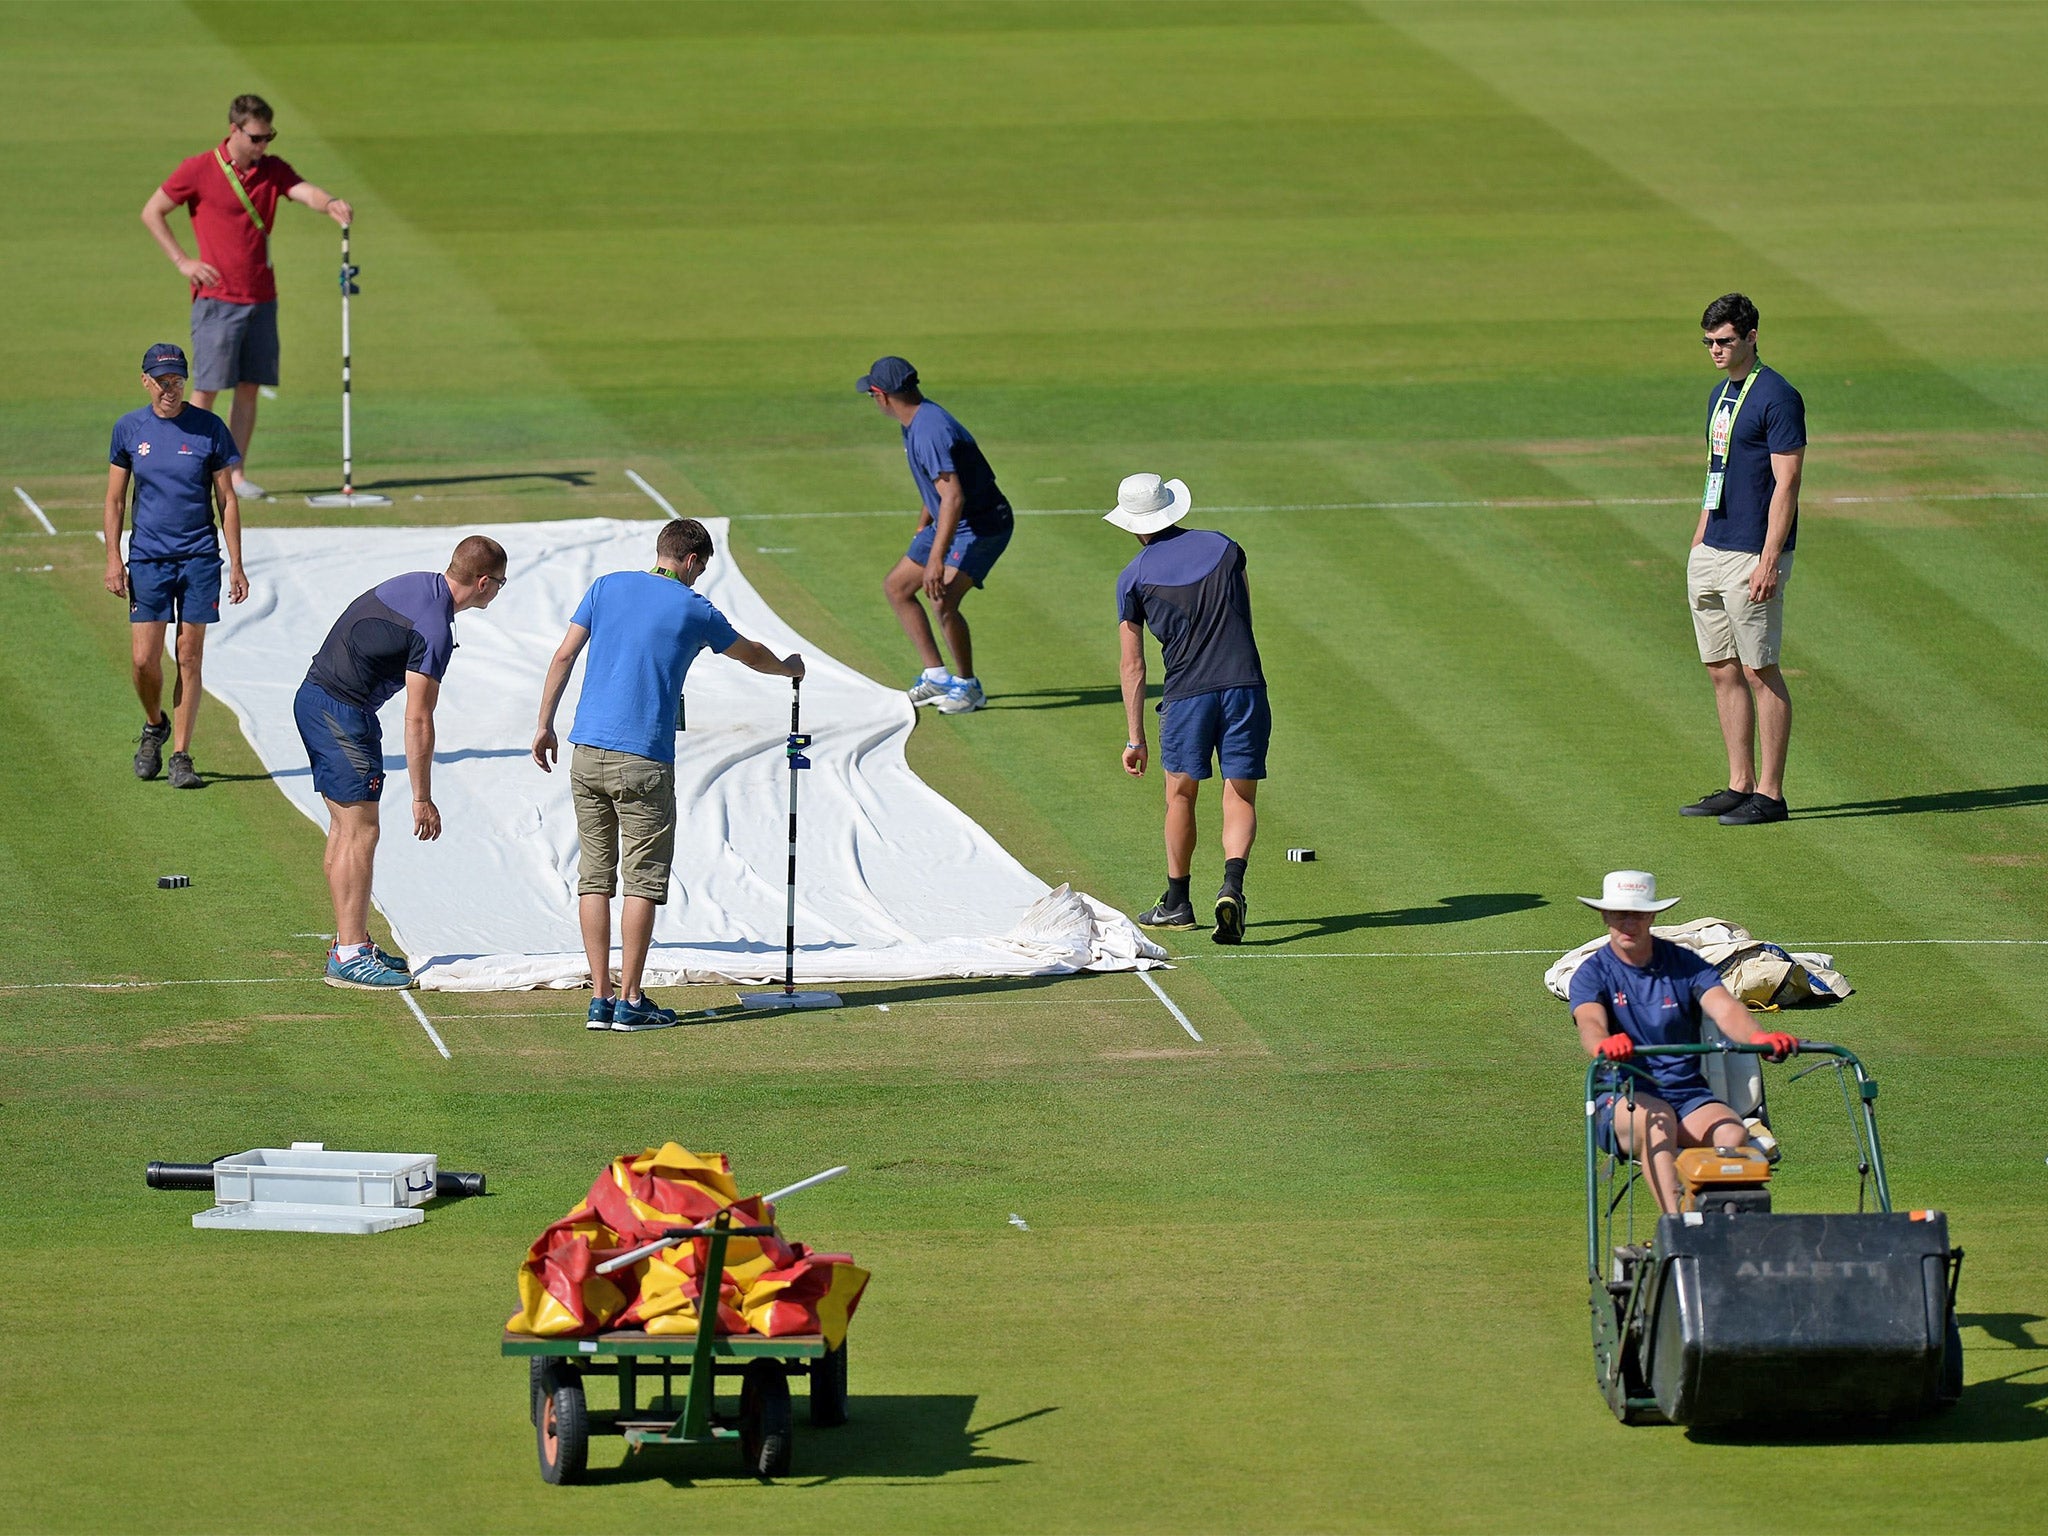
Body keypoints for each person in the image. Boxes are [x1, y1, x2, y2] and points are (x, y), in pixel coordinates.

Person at [532, 519, 805, 1032]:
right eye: (701, 569)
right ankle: (631, 1001)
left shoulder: (606, 585)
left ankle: (600, 998)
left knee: (594, 876)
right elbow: (751, 655)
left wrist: (544, 724)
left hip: (586, 750)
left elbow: (564, 654)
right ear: (693, 561)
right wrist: (789, 668)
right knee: (642, 881)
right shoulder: (694, 608)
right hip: (644, 759)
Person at [295, 536, 508, 989]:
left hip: (322, 702)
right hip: (339, 712)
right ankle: (350, 954)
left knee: (344, 828)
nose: (499, 591)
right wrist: (422, 797)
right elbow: (418, 717)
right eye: (501, 584)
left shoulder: (421, 585)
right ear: (483, 582)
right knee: (361, 830)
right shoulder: (435, 629)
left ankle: (348, 941)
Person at [141, 94, 355, 501]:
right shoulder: (199, 169)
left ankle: (235, 474)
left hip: (261, 296)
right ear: (235, 130)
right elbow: (153, 210)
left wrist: (329, 204)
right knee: (206, 387)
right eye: (257, 137)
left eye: (268, 136)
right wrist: (183, 260)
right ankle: (195, 470)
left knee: (249, 386)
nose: (263, 145)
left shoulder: (271, 169)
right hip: (218, 298)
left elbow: (302, 190)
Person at [1568, 870, 1798, 1214]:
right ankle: (1676, 1224)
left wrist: (1759, 1038)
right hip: (1621, 1096)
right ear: (1605, 916)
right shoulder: (1592, 973)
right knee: (1656, 1120)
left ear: (1652, 915)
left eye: (1638, 914)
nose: (1629, 923)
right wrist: (1603, 1044)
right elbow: (1589, 1022)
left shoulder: (1684, 964)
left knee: (1732, 1134)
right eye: (1620, 915)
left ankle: (1716, 1222)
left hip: (1688, 1095)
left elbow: (1724, 1009)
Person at [1108, 473, 1270, 945]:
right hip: (1245, 687)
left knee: (1181, 796)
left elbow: (1132, 665)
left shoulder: (1132, 578)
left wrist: (1135, 738)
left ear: (1135, 525)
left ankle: (1177, 903)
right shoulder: (1225, 547)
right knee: (1239, 793)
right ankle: (1232, 886)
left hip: (1186, 698)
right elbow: (1246, 617)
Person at [1682, 293, 1806, 826]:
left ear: (1751, 337)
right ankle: (1739, 784)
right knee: (1720, 667)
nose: (1715, 349)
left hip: (1753, 552)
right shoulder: (1720, 394)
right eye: (1709, 341)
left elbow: (1788, 481)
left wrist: (1770, 558)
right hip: (1713, 547)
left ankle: (1771, 795)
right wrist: (1698, 539)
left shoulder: (1778, 396)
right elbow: (1716, 471)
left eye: (1724, 341)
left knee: (1760, 669)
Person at [104, 343, 249, 789]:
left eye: (178, 380)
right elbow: (114, 499)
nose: (171, 389)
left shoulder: (209, 428)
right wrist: (113, 556)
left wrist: (237, 565)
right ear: (145, 380)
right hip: (147, 558)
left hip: (199, 558)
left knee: (189, 655)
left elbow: (226, 499)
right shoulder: (129, 429)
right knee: (144, 659)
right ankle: (155, 725)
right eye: (162, 381)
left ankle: (182, 756)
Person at [859, 356, 1014, 714]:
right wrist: (922, 527)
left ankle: (969, 686)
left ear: (882, 395)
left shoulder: (930, 429)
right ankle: (937, 676)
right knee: (897, 588)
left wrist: (933, 559)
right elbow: (938, 488)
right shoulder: (913, 421)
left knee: (942, 600)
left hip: (983, 526)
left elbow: (954, 496)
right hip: (949, 520)